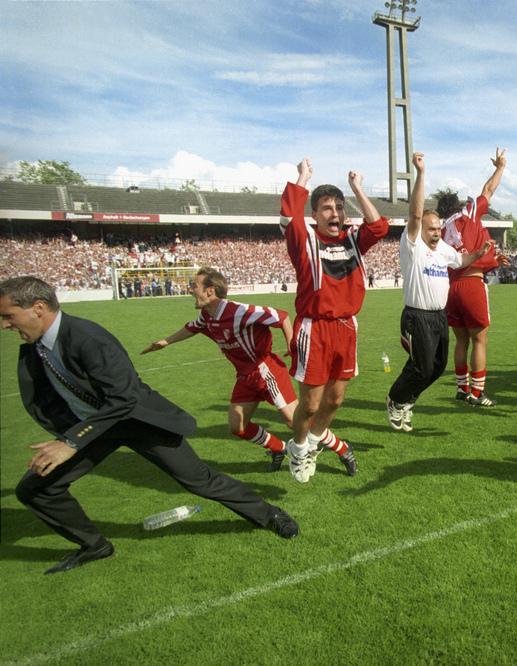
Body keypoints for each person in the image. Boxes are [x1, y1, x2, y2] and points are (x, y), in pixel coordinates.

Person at [0, 276, 298, 575]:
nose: (5, 325)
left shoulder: (87, 337)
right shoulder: (35, 346)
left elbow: (124, 399)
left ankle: (269, 514)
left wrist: (70, 442)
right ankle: (94, 545)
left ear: (38, 308)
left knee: (199, 480)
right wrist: (67, 434)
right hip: (93, 428)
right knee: (35, 488)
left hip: (138, 420)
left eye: (8, 316)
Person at [279, 158, 388, 483]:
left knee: (336, 398)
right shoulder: (305, 240)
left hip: (346, 327)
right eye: (327, 208)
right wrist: (302, 177)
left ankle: (313, 440)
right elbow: (288, 216)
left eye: (339, 208)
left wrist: (357, 189)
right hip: (314, 328)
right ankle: (298, 449)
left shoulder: (352, 240)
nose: (335, 214)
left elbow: (379, 226)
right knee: (310, 405)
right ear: (315, 215)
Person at [141, 267, 301, 472]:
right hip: (245, 377)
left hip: (264, 369)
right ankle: (279, 448)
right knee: (238, 426)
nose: (190, 290)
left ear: (210, 291)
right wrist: (165, 341)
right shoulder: (207, 316)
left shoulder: (237, 311)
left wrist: (290, 343)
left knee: (293, 420)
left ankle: (339, 447)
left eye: (194, 286)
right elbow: (191, 328)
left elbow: (281, 316)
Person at [385, 153, 492, 432]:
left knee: (437, 367)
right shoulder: (412, 245)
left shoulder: (443, 248)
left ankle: (406, 400)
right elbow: (416, 213)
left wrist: (478, 253)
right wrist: (420, 173)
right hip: (417, 316)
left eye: (437, 229)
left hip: (438, 317)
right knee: (420, 367)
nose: (434, 232)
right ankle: (396, 399)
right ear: (421, 229)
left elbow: (461, 261)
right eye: (430, 229)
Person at [441, 148, 509, 407]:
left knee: (461, 339)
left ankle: (461, 388)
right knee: (480, 339)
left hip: (451, 286)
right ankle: (478, 393)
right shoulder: (467, 213)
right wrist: (500, 167)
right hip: (471, 283)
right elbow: (488, 191)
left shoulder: (442, 227)